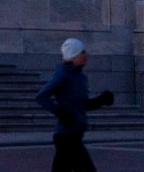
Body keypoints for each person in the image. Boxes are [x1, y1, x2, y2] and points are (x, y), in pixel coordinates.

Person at [35, 37, 114, 172]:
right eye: (82, 52)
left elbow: (83, 105)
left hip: (75, 135)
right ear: (73, 56)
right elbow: (41, 96)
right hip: (66, 137)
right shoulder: (62, 76)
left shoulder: (81, 77)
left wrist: (101, 100)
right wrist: (59, 112)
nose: (86, 55)